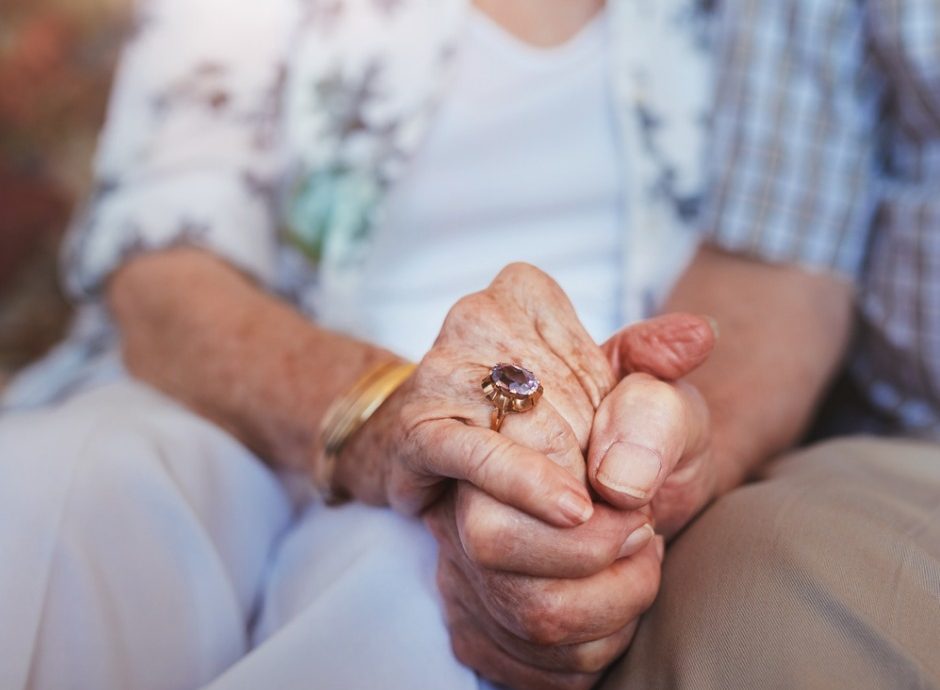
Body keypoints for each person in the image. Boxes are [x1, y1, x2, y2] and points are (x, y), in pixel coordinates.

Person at [0, 3, 937, 690]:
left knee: (417, 615)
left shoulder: (772, 21)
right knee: (52, 495)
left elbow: (773, 280)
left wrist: (624, 454)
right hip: (234, 400)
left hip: (552, 453)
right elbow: (162, 265)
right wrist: (384, 412)